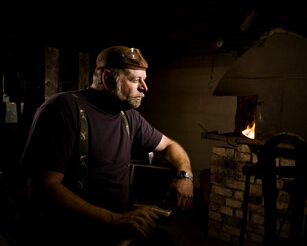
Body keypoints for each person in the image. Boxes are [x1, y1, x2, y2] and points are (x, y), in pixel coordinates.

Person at [18, 46, 194, 246]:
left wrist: (185, 175)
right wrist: (113, 220)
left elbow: (169, 145)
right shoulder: (63, 109)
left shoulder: (129, 116)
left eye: (144, 80)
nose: (145, 88)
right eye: (135, 80)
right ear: (108, 79)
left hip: (112, 232)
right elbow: (46, 186)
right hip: (67, 234)